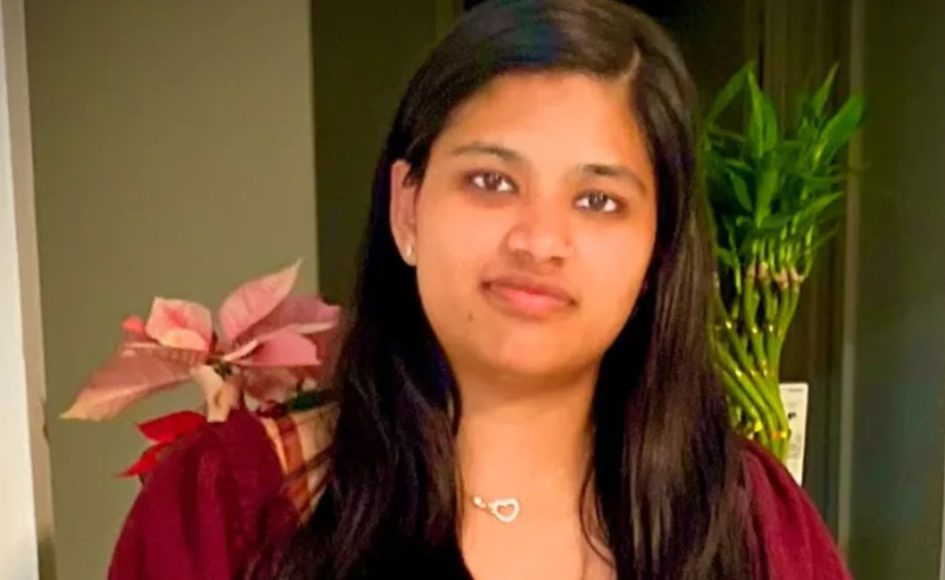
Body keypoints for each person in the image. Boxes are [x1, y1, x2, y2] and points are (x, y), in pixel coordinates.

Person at [108, 0, 850, 578]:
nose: (539, 239)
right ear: (407, 210)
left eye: (598, 200)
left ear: (658, 252)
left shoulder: (748, 521)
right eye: (491, 181)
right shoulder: (225, 509)